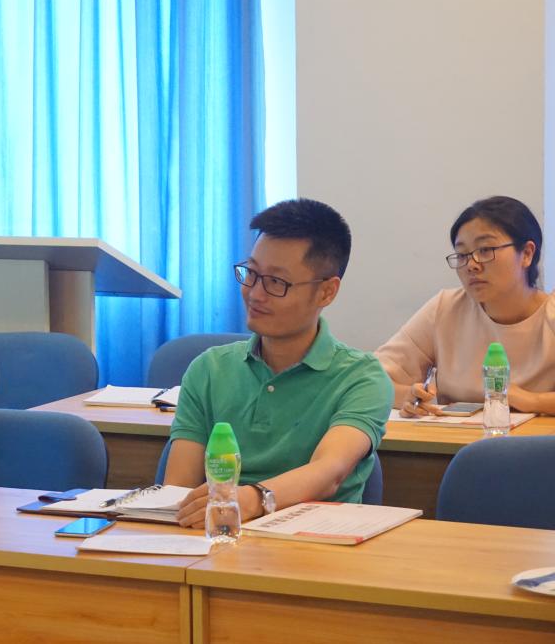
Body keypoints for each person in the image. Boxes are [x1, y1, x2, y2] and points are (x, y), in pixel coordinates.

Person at [165, 199, 392, 527]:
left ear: (327, 292)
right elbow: (178, 488)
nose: (255, 294)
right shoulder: (209, 370)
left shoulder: (361, 378)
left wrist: (252, 499)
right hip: (218, 540)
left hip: (318, 545)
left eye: (276, 282)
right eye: (251, 274)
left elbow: (329, 471)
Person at [376, 196, 555, 416]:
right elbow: (370, 379)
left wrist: (534, 401)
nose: (471, 265)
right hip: (453, 436)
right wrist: (409, 397)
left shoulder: (551, 314)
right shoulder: (445, 308)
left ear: (526, 254)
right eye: (462, 255)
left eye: (485, 250)